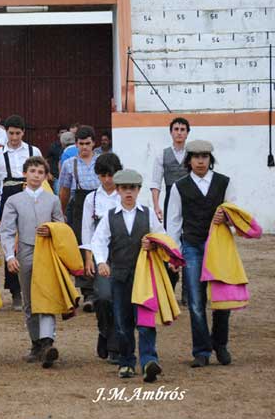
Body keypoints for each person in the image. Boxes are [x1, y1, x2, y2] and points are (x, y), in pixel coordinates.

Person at [167, 140, 237, 368]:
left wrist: (226, 218)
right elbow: (174, 222)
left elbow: (235, 214)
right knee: (196, 302)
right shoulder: (179, 186)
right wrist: (174, 254)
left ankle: (221, 344)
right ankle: (201, 350)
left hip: (218, 247)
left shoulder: (224, 182)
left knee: (221, 299)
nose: (200, 161)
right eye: (196, 157)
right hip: (192, 245)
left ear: (210, 159)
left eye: (204, 156)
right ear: (189, 160)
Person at [91, 169, 166, 382]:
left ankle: (149, 360)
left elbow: (162, 236)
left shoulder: (149, 213)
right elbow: (99, 241)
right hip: (120, 276)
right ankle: (126, 361)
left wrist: (153, 243)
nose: (129, 193)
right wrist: (102, 261)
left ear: (138, 190)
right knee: (123, 322)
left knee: (145, 320)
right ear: (118, 191)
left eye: (132, 188)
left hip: (144, 276)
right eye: (124, 189)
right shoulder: (110, 216)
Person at [0, 156, 64, 367]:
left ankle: (47, 343)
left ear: (46, 176)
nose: (36, 175)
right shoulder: (14, 200)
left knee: (46, 296)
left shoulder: (52, 200)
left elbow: (61, 227)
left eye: (40, 172)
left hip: (47, 252)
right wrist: (10, 255)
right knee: (29, 299)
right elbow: (7, 231)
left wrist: (52, 230)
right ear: (25, 174)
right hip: (25, 250)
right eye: (33, 171)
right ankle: (37, 342)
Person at [0, 114, 42, 311]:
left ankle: (33, 288)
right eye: (11, 133)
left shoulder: (33, 150)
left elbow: (40, 177)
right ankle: (15, 291)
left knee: (30, 239)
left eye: (17, 133)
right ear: (6, 132)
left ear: (23, 132)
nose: (14, 137)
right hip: (8, 195)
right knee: (10, 241)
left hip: (29, 194)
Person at [80, 153, 122, 364]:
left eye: (111, 175)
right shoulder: (92, 198)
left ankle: (114, 344)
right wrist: (88, 258)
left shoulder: (125, 194)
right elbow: (87, 231)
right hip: (100, 254)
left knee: (120, 299)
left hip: (123, 253)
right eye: (103, 175)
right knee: (104, 297)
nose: (108, 179)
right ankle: (104, 331)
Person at [59, 125, 101, 311]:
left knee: (102, 243)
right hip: (80, 204)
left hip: (101, 202)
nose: (84, 147)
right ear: (76, 144)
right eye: (81, 144)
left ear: (94, 144)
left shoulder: (102, 162)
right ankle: (87, 291)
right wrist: (61, 212)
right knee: (82, 245)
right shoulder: (70, 164)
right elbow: (65, 190)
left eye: (88, 144)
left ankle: (102, 286)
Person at [150, 117, 190, 298]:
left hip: (191, 201)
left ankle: (189, 292)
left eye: (183, 129)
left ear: (187, 132)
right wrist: (157, 205)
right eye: (176, 129)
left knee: (190, 241)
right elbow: (155, 182)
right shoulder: (162, 154)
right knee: (170, 244)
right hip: (170, 201)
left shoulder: (194, 153)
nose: (179, 132)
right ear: (171, 132)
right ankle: (169, 290)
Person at [46, 126, 66, 191]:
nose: (63, 134)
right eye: (61, 132)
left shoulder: (72, 146)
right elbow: (46, 160)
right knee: (58, 196)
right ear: (58, 134)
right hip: (57, 176)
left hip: (69, 176)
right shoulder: (53, 146)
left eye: (65, 132)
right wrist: (48, 173)